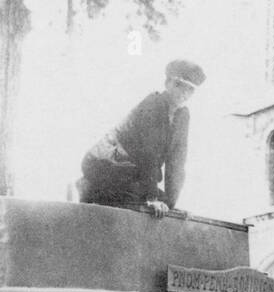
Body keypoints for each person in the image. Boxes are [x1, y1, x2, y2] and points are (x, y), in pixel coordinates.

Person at [77, 58, 205, 217]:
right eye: (178, 85)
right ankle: (87, 186)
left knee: (162, 199)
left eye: (189, 89)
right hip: (105, 162)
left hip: (131, 171)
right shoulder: (154, 104)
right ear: (167, 84)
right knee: (140, 196)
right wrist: (151, 198)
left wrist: (170, 205)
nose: (183, 93)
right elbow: (149, 153)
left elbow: (177, 161)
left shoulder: (182, 116)